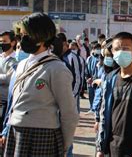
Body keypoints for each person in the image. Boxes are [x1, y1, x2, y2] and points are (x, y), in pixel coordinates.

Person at [4, 13, 79, 156]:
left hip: (42, 135)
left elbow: (69, 113)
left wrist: (64, 145)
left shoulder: (57, 68)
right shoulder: (22, 65)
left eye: (28, 34)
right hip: (16, 131)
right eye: (22, 34)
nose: (23, 39)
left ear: (42, 36)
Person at [0, 31, 17, 126]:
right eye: (1, 41)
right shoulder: (0, 57)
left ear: (13, 43)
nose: (2, 44)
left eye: (4, 41)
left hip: (6, 100)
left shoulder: (16, 59)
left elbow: (8, 78)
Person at [86, 43, 101, 114]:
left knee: (98, 95)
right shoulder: (89, 58)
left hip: (98, 80)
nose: (98, 50)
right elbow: (86, 69)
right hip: (91, 79)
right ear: (93, 50)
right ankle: (91, 108)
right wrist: (88, 77)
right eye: (96, 49)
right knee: (91, 94)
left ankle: (97, 110)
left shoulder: (101, 58)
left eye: (99, 48)